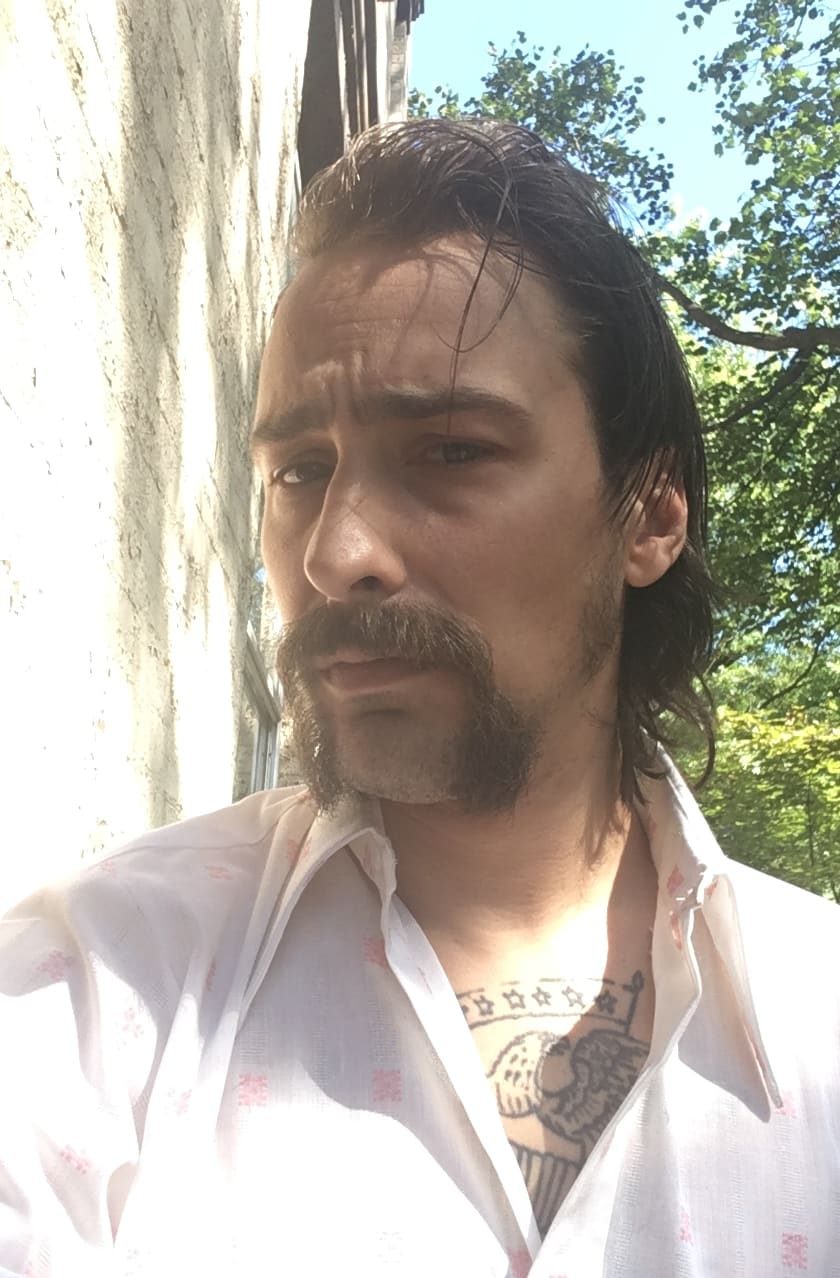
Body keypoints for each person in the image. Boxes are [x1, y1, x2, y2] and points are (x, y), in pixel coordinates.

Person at [0, 119, 837, 1278]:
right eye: (299, 472)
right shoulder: (91, 989)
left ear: (649, 516)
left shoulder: (821, 1017)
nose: (336, 553)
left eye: (451, 451)